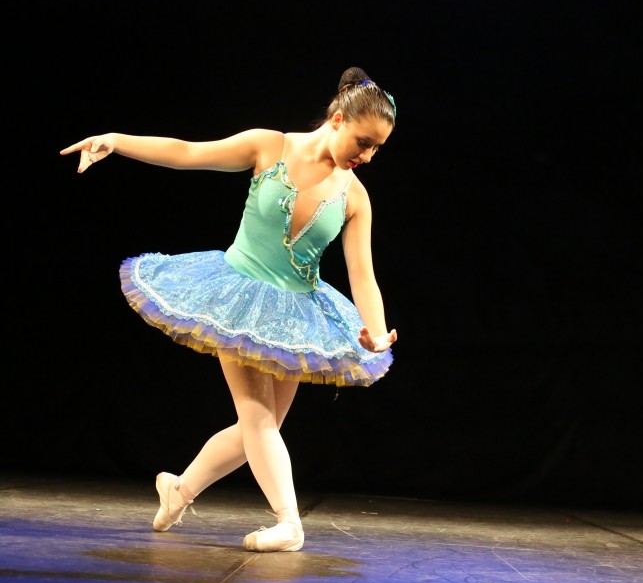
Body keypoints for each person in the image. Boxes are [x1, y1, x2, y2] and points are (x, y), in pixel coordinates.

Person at [60, 66, 399, 553]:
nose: (367, 156)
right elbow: (186, 152)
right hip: (238, 298)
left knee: (259, 430)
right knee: (258, 416)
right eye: (364, 142)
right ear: (339, 118)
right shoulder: (270, 146)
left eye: (377, 149)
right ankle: (289, 522)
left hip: (297, 312)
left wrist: (375, 328)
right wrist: (117, 139)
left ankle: (178, 489)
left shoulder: (355, 197)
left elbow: (362, 273)